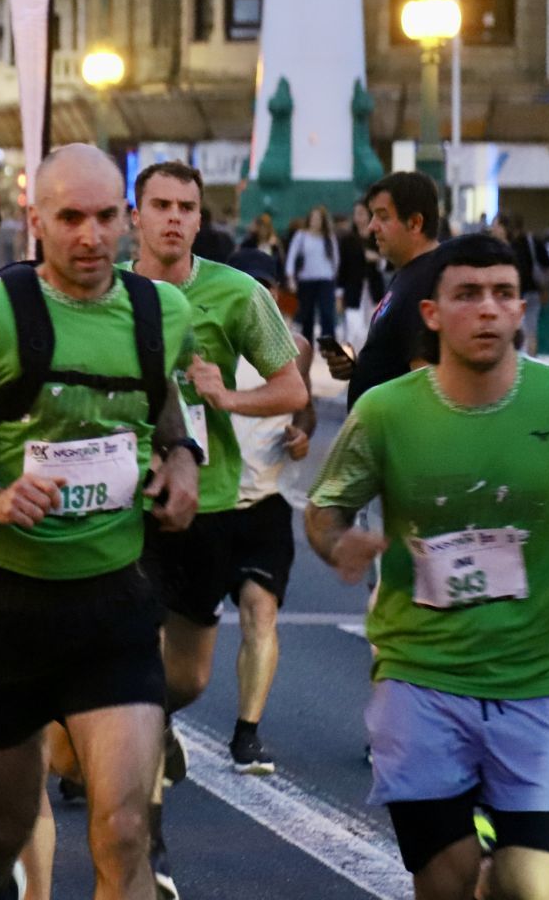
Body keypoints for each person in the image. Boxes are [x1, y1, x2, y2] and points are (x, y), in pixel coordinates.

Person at [0, 144, 202, 900]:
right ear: (36, 223)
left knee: (123, 829)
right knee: (5, 826)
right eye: (70, 218)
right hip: (7, 608)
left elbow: (158, 401)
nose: (90, 236)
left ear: (126, 221)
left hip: (114, 603)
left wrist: (180, 457)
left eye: (104, 218)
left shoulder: (162, 311)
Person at [306, 232, 549, 900]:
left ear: (522, 310)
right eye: (467, 295)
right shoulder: (387, 411)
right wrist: (336, 543)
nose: (487, 309)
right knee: (448, 879)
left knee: (535, 885)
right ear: (432, 313)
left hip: (534, 682)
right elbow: (324, 508)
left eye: (503, 295)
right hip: (418, 680)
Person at [128, 162, 305, 889]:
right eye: (159, 206)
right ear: (135, 216)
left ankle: (148, 722)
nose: (172, 218)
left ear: (201, 219)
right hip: (124, 504)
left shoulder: (236, 293)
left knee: (188, 677)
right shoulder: (109, 290)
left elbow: (292, 386)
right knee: (129, 670)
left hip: (212, 503)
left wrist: (227, 398)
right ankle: (149, 843)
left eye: (186, 208)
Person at [218, 247, 315, 774]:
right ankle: (153, 723)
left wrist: (301, 435)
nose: (260, 298)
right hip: (206, 503)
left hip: (265, 500)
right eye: (248, 286)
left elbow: (306, 410)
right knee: (176, 640)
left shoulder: (295, 348)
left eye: (268, 289)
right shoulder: (201, 341)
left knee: (261, 611)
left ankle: (246, 733)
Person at [320, 171, 444, 411]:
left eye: (383, 217)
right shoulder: (408, 274)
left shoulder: (429, 279)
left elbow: (426, 381)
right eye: (372, 215)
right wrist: (359, 367)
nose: (371, 226)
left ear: (415, 222)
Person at [283, 204, 339, 343]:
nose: (315, 221)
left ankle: (328, 343)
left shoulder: (328, 237)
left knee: (327, 313)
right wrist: (291, 278)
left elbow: (335, 258)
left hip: (325, 279)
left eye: (319, 219)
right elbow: (291, 257)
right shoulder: (301, 236)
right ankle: (307, 344)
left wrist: (333, 275)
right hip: (306, 280)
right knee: (307, 314)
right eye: (313, 218)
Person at [495, 214, 548, 358]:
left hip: (514, 296)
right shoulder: (532, 242)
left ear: (505, 228)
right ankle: (531, 364)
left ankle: (521, 364)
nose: (494, 229)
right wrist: (545, 289)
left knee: (515, 332)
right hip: (533, 292)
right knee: (531, 332)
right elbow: (547, 266)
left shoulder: (504, 248)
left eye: (497, 226)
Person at [337, 199, 385, 352]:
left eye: (362, 213)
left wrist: (377, 258)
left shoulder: (377, 237)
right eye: (356, 214)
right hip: (353, 290)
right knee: (354, 329)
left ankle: (367, 361)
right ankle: (355, 360)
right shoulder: (348, 239)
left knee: (372, 327)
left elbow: (388, 264)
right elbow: (342, 268)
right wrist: (339, 294)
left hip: (373, 289)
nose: (358, 218)